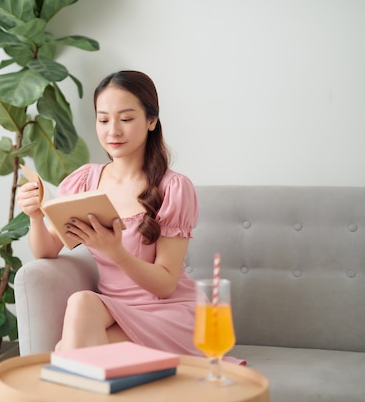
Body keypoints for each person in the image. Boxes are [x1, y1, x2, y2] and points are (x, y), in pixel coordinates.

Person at [16, 70, 243, 364]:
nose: (113, 131)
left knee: (73, 351)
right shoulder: (84, 181)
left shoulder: (173, 187)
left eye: (125, 119)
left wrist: (115, 251)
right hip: (113, 309)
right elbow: (46, 251)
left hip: (170, 312)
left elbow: (165, 284)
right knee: (81, 303)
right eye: (103, 119)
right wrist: (35, 215)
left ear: (151, 121)